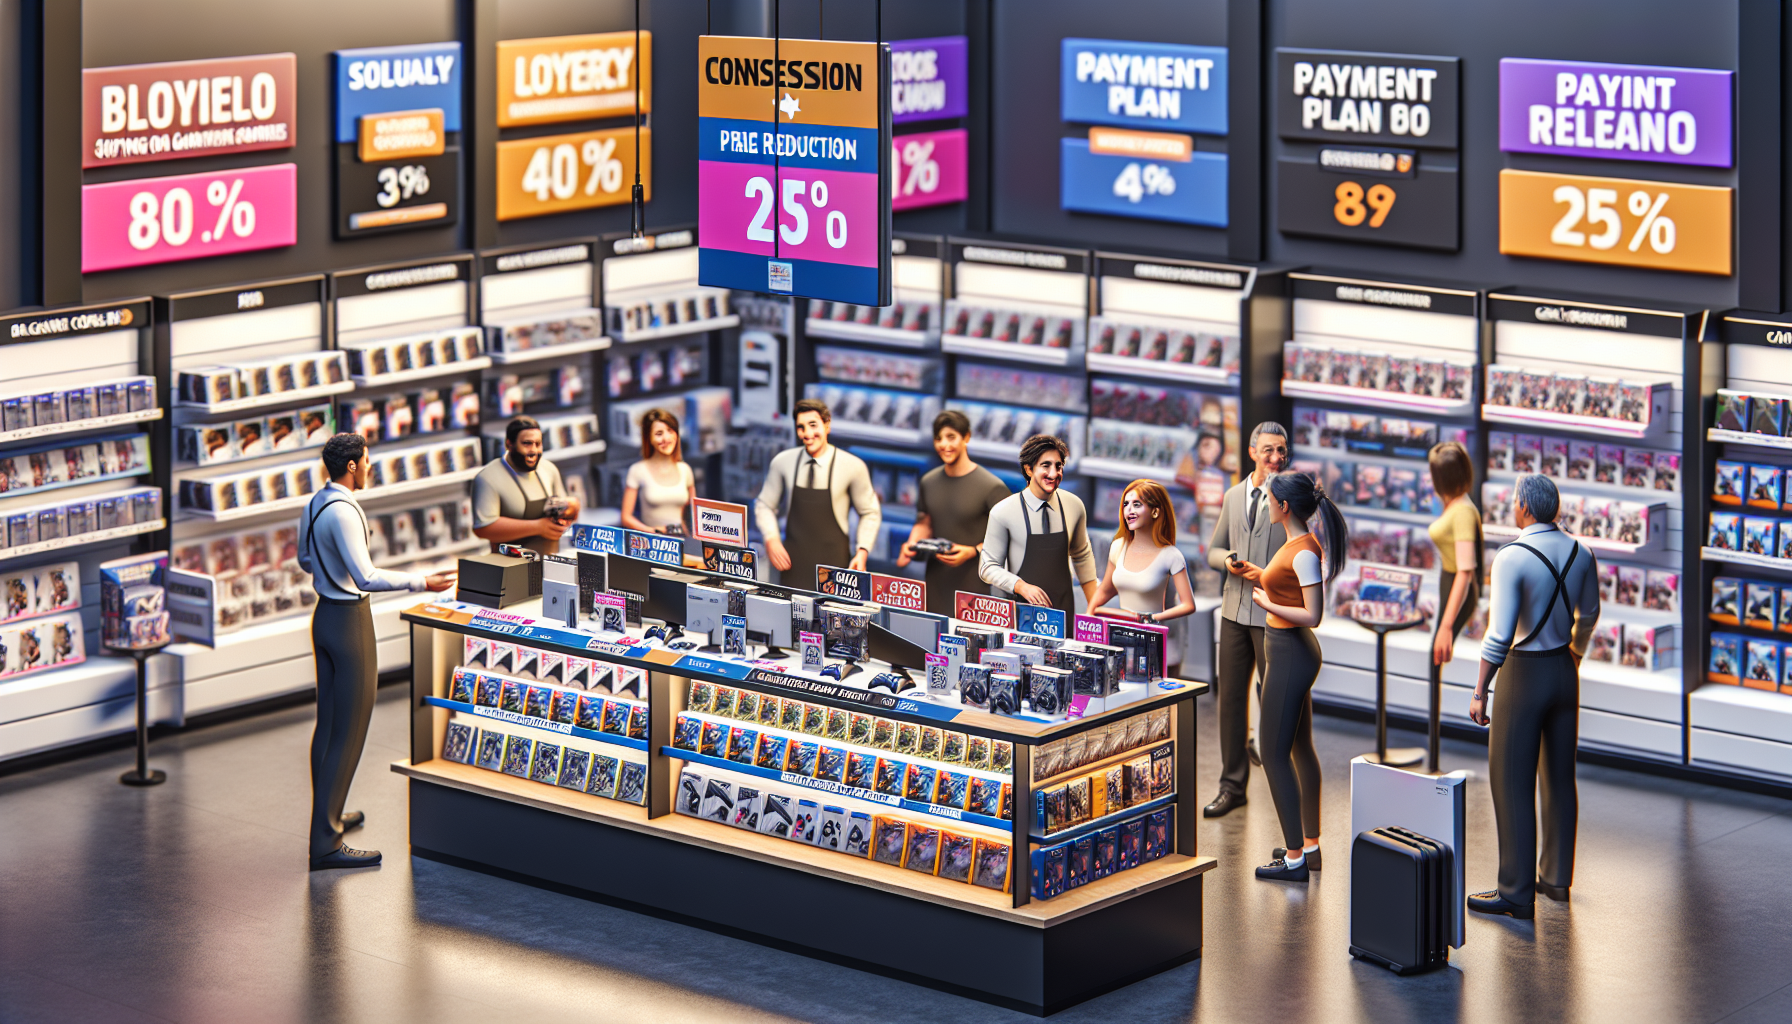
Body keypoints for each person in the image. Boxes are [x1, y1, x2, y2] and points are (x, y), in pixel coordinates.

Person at [298, 433, 455, 870]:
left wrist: (330, 572)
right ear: (352, 466)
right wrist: (421, 581)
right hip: (350, 621)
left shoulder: (315, 503)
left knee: (327, 725)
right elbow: (365, 577)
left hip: (324, 615)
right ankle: (326, 841)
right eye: (367, 460)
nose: (370, 467)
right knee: (351, 731)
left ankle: (327, 815)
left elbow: (304, 560)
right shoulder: (346, 512)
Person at [1468, 474, 1599, 919]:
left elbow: (1499, 634)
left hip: (1523, 673)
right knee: (1560, 777)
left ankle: (1516, 891)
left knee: (1510, 780)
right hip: (1565, 669)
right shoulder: (1582, 551)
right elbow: (1591, 614)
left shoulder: (1511, 556)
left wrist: (1480, 689)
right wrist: (1575, 654)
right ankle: (1556, 879)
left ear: (1523, 506)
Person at [1243, 470, 1347, 882]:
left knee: (1272, 752)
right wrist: (1261, 579)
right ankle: (1310, 845)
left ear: (1284, 507)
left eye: (1270, 500)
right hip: (1288, 652)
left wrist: (1267, 600)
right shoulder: (1296, 544)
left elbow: (1313, 614)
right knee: (1300, 746)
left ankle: (1293, 858)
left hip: (1290, 654)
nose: (1268, 505)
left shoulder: (1303, 550)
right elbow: (1290, 589)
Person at [1202, 421, 1289, 818]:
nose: (1275, 458)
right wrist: (1227, 562)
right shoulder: (1234, 496)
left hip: (1275, 614)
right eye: (1268, 450)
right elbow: (1214, 548)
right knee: (1231, 699)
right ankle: (1232, 784)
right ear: (1252, 451)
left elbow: (1304, 550)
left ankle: (1280, 777)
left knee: (1277, 700)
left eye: (1281, 451)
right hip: (1235, 611)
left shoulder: (1292, 499)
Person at [755, 398, 882, 587]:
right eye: (801, 427)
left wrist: (862, 551)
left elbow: (870, 512)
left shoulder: (852, 466)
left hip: (835, 571)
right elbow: (764, 505)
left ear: (827, 425)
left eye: (813, 425)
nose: (807, 434)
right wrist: (771, 538)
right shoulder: (783, 462)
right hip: (793, 567)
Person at [898, 410, 1010, 616]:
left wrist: (973, 551)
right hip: (936, 584)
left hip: (976, 587)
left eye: (951, 437)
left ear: (966, 437)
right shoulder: (929, 482)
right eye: (938, 438)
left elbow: (1010, 537)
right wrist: (911, 545)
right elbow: (925, 522)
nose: (944, 445)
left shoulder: (992, 487)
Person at [979, 434, 1098, 615]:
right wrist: (1021, 586)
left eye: (1058, 466)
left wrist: (1094, 609)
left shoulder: (1074, 506)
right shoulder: (1003, 512)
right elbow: (987, 567)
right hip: (1022, 613)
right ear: (1029, 469)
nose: (1053, 473)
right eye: (1046, 466)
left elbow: (1082, 556)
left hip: (1063, 611)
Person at [1088, 479, 1197, 674]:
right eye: (1126, 504)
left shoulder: (1171, 555)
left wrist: (1152, 618)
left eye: (1136, 504)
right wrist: (1089, 616)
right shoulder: (1118, 547)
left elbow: (1188, 604)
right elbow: (1106, 588)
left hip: (1156, 640)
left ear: (1155, 511)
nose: (1129, 510)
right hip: (1121, 638)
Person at [1426, 441, 1483, 770]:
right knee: (1433, 666)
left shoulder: (1461, 511)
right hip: (1450, 585)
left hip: (1457, 588)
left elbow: (1465, 570)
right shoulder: (1458, 505)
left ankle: (1434, 760)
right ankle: (1432, 754)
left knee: (1435, 663)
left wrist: (1446, 626)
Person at [471, 416, 579, 556]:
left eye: (538, 444)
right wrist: (538, 527)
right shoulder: (488, 478)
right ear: (509, 444)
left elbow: (563, 508)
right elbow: (484, 528)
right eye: (527, 443)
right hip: (509, 568)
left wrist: (571, 508)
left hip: (549, 562)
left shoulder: (548, 470)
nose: (533, 450)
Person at [621, 408, 697, 534]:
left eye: (670, 431)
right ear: (648, 438)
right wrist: (652, 531)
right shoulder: (637, 470)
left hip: (682, 540)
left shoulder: (685, 470)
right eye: (659, 434)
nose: (666, 438)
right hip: (653, 543)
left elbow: (694, 512)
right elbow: (626, 517)